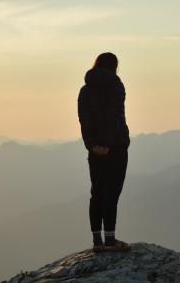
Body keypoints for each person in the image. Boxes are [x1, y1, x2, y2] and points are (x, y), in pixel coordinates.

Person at [77, 52, 131, 252]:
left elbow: (84, 120)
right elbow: (114, 117)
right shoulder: (116, 86)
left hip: (94, 150)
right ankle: (110, 240)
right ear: (114, 66)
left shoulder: (85, 91)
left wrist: (92, 145)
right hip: (115, 148)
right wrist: (108, 145)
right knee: (112, 193)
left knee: (97, 193)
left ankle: (97, 242)